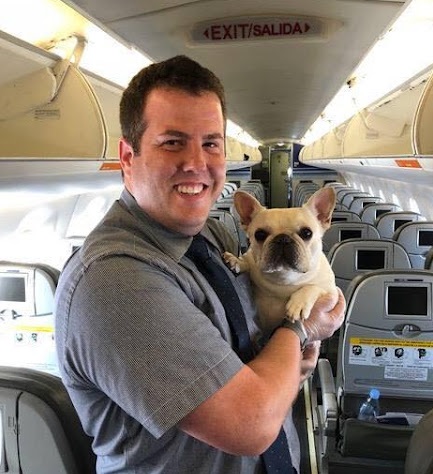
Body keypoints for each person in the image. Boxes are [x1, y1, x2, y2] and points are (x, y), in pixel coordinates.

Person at [55, 55, 345, 474]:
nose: (196, 163)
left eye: (211, 143)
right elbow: (249, 424)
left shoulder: (210, 236)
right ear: (128, 157)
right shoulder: (114, 281)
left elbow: (252, 350)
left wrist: (287, 365)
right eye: (173, 142)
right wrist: (301, 330)